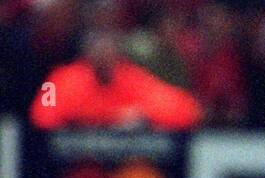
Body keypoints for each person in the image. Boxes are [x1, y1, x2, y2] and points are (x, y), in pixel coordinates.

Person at [29, 28, 201, 131]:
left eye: (109, 51)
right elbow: (40, 116)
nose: (104, 57)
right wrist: (109, 117)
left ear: (118, 56)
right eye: (98, 50)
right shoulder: (59, 79)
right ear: (87, 53)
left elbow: (187, 110)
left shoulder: (132, 78)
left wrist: (142, 115)